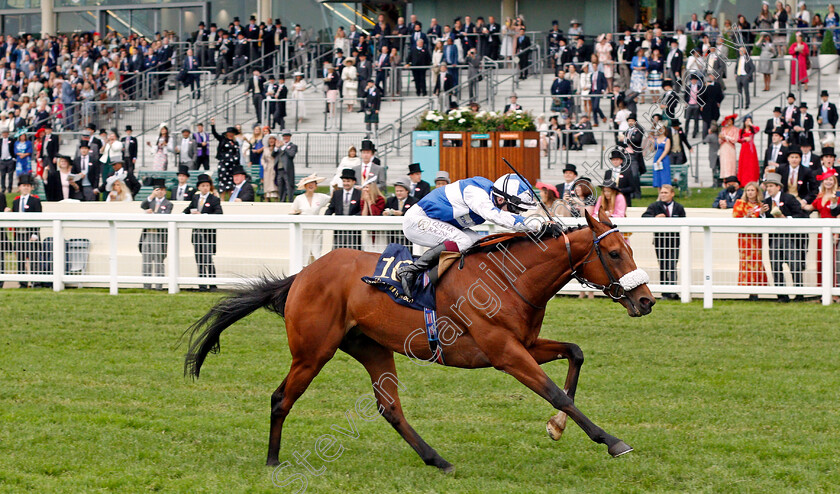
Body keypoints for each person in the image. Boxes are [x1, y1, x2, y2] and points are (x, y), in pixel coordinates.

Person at [397, 173, 540, 296]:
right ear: (501, 199)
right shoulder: (476, 192)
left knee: (480, 242)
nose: (516, 213)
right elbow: (496, 216)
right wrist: (537, 224)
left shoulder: (492, 197)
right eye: (514, 209)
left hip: (436, 220)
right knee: (463, 241)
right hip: (416, 221)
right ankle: (410, 271)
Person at [760, 172, 807, 302]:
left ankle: (799, 294)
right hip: (774, 239)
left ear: (778, 187)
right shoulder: (766, 202)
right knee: (775, 266)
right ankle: (781, 295)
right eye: (767, 186)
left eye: (771, 186)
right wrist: (762, 214)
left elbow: (802, 215)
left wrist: (786, 218)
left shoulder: (789, 199)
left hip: (790, 238)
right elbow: (762, 221)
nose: (768, 189)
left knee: (795, 266)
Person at [641, 185, 686, 300]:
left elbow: (684, 221)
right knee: (663, 266)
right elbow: (644, 217)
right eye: (661, 193)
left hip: (674, 242)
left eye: (665, 193)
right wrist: (655, 218)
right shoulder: (655, 206)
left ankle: (673, 291)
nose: (663, 195)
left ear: (672, 194)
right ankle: (665, 292)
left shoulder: (679, 207)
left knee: (672, 266)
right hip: (660, 242)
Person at [184, 174, 223, 292]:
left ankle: (212, 284)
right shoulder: (195, 198)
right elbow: (187, 209)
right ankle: (202, 284)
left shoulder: (214, 199)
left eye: (207, 185)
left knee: (208, 259)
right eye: (203, 186)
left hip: (208, 234)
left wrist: (203, 216)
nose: (205, 188)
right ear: (199, 187)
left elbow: (219, 213)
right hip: (196, 233)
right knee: (199, 258)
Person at [803, 169, 840, 290]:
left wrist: (836, 235)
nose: (828, 182)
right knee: (820, 259)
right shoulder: (820, 196)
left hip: (833, 230)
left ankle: (834, 289)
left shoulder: (838, 195)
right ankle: (822, 288)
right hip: (821, 232)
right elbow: (811, 207)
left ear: (834, 182)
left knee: (833, 260)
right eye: (826, 180)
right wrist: (800, 202)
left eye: (831, 180)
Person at [732, 181, 768, 299]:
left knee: (757, 260)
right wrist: (746, 217)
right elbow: (735, 218)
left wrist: (761, 214)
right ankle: (748, 288)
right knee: (745, 261)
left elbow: (763, 220)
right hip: (745, 237)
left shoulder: (761, 204)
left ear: (757, 192)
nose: (750, 192)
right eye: (748, 190)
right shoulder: (740, 203)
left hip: (756, 237)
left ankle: (756, 290)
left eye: (752, 190)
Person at [5, 175, 42, 287]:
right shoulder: (16, 202)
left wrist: (35, 234)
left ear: (31, 188)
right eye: (23, 186)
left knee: (34, 258)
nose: (25, 188)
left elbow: (39, 218)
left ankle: (36, 281)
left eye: (27, 186)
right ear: (19, 188)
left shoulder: (35, 201)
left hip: (30, 234)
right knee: (20, 258)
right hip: (19, 234)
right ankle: (22, 282)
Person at [290, 174, 331, 264]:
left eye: (313, 183)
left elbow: (333, 198)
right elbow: (293, 211)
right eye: (308, 183)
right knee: (304, 251)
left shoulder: (321, 197)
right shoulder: (299, 198)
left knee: (316, 251)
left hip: (316, 229)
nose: (311, 185)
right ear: (305, 186)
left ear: (316, 186)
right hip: (304, 230)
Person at [139, 178, 172, 290]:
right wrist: (151, 196)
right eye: (158, 189)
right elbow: (143, 205)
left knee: (158, 261)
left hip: (158, 234)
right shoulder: (150, 201)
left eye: (162, 190)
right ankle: (146, 285)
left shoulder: (168, 204)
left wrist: (152, 213)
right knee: (146, 261)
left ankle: (159, 286)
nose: (160, 192)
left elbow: (165, 215)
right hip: (148, 233)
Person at [325, 168, 362, 250]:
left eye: (348, 181)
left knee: (353, 252)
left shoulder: (359, 194)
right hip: (339, 229)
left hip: (354, 229)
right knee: (338, 251)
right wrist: (326, 219)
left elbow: (362, 210)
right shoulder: (337, 193)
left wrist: (354, 218)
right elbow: (331, 208)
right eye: (344, 181)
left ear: (353, 182)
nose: (346, 183)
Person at [210, 118, 240, 199]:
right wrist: (212, 125)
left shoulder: (235, 143)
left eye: (232, 133)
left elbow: (237, 153)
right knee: (223, 182)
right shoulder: (223, 140)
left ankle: (231, 200)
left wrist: (237, 163)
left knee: (231, 183)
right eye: (229, 133)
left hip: (232, 165)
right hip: (223, 163)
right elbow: (215, 134)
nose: (230, 134)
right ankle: (222, 199)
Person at [384, 177, 418, 246]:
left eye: (401, 191)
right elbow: (384, 211)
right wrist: (385, 213)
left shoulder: (414, 201)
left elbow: (415, 215)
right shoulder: (390, 200)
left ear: (407, 191)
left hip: (408, 233)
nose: (398, 193)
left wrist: (402, 213)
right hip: (393, 233)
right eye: (397, 191)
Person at [737, 116, 761, 186]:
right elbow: (738, 139)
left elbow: (757, 129)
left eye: (749, 120)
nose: (748, 122)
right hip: (744, 149)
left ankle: (752, 180)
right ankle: (743, 181)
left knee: (751, 165)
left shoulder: (753, 130)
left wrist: (751, 125)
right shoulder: (741, 131)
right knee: (744, 165)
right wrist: (744, 139)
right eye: (747, 121)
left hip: (751, 150)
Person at [277, 129, 297, 202]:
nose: (285, 137)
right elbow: (274, 154)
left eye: (287, 136)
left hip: (287, 169)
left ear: (290, 137)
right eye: (284, 136)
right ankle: (282, 201)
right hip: (280, 169)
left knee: (289, 186)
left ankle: (290, 201)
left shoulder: (293, 146)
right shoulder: (280, 147)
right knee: (281, 187)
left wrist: (284, 147)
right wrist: (277, 147)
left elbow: (291, 155)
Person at [718, 114, 739, 182]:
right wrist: (721, 138)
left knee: (730, 164)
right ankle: (724, 180)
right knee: (724, 163)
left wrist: (726, 137)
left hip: (730, 148)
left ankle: (731, 179)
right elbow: (720, 140)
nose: (728, 121)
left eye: (730, 120)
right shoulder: (723, 129)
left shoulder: (735, 129)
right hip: (723, 147)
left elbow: (735, 139)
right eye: (727, 120)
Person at [261, 134, 280, 201]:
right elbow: (262, 159)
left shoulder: (278, 149)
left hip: (275, 168)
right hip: (267, 168)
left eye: (273, 139)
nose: (271, 140)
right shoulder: (265, 149)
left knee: (274, 186)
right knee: (267, 186)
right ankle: (267, 201)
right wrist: (264, 164)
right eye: (270, 139)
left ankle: (276, 201)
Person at [0, 129, 16, 193]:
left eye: (6, 133)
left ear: (8, 133)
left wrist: (13, 157)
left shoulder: (11, 140)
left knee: (10, 175)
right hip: (2, 160)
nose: (4, 134)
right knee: (2, 175)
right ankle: (3, 188)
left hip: (10, 159)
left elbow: (13, 148)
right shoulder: (0, 141)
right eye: (3, 133)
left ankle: (10, 188)